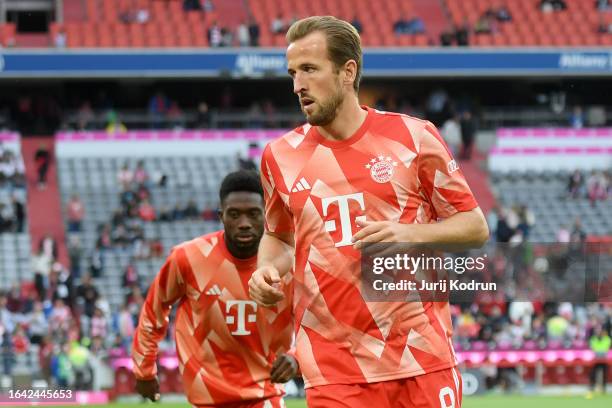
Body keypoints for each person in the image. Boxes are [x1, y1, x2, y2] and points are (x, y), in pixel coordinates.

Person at [248, 16, 488, 408]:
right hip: (333, 370)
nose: (297, 86)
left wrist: (408, 234)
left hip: (421, 358)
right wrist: (266, 270)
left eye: (309, 69)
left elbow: (475, 227)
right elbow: (277, 236)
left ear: (348, 72)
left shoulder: (414, 137)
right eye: (292, 73)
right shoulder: (279, 157)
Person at [132, 170, 297, 407]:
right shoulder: (187, 258)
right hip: (206, 398)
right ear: (221, 216)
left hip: (265, 396)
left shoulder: (291, 265)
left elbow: (316, 324)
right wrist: (144, 370)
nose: (244, 224)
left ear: (267, 215)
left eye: (253, 214)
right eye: (234, 215)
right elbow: (153, 311)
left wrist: (296, 356)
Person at [587, 326, 610, 398]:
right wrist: (598, 352)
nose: (599, 333)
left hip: (604, 359)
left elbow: (606, 347)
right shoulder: (593, 339)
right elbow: (593, 347)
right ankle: (591, 388)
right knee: (592, 374)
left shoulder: (607, 339)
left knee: (605, 374)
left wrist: (599, 352)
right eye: (597, 331)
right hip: (595, 359)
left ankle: (603, 389)